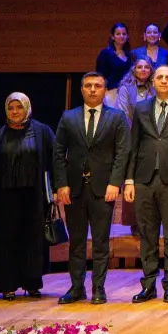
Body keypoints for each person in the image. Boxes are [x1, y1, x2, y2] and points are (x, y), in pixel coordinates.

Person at [54, 72, 129, 305]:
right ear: (82, 89)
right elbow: (58, 152)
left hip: (103, 188)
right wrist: (61, 184)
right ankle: (76, 287)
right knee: (76, 241)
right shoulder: (68, 117)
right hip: (74, 188)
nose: (93, 89)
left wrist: (115, 183)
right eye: (88, 85)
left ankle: (98, 288)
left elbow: (122, 153)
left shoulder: (116, 117)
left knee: (100, 241)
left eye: (98, 85)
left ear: (105, 90)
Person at [122, 65, 168, 304]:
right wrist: (129, 179)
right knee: (147, 235)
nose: (163, 81)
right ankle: (148, 285)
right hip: (144, 180)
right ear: (153, 81)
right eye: (160, 77)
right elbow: (133, 146)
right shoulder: (141, 108)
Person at [0, 92, 55, 300]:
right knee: (7, 240)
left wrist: (56, 188)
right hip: (5, 197)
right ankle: (8, 284)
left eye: (19, 107)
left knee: (33, 239)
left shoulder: (42, 131)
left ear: (27, 108)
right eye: (11, 108)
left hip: (34, 195)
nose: (15, 112)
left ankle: (32, 283)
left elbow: (54, 161)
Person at [96, 22, 133, 105]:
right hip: (111, 93)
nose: (122, 36)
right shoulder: (105, 54)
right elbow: (100, 75)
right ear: (112, 37)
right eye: (118, 34)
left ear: (127, 36)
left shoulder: (130, 55)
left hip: (127, 93)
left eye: (124, 34)